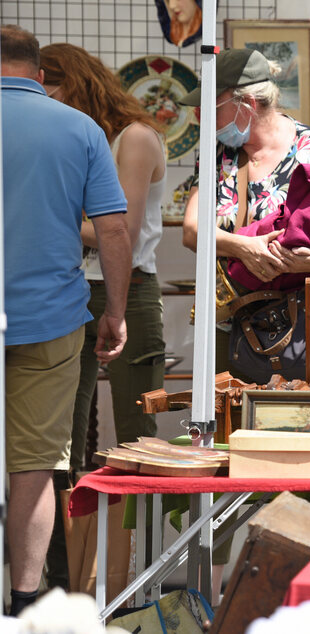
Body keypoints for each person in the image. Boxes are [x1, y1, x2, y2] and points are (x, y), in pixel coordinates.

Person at [179, 47, 310, 599]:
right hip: (244, 332)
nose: (208, 120)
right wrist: (244, 247)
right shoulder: (220, 156)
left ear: (247, 105)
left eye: (216, 107)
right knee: (243, 459)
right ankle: (234, 597)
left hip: (309, 328)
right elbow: (193, 228)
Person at [1, 25, 131, 616]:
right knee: (34, 465)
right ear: (40, 75)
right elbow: (112, 229)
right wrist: (116, 311)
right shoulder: (81, 129)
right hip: (50, 319)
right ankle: (24, 602)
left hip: (42, 315)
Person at [40, 42, 167, 473]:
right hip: (75, 287)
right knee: (64, 428)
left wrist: (50, 216)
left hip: (130, 289)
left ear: (72, 86)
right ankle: (66, 539)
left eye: (51, 95)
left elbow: (121, 235)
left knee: (137, 434)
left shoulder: (133, 137)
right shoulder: (79, 137)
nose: (47, 107)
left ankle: (142, 541)